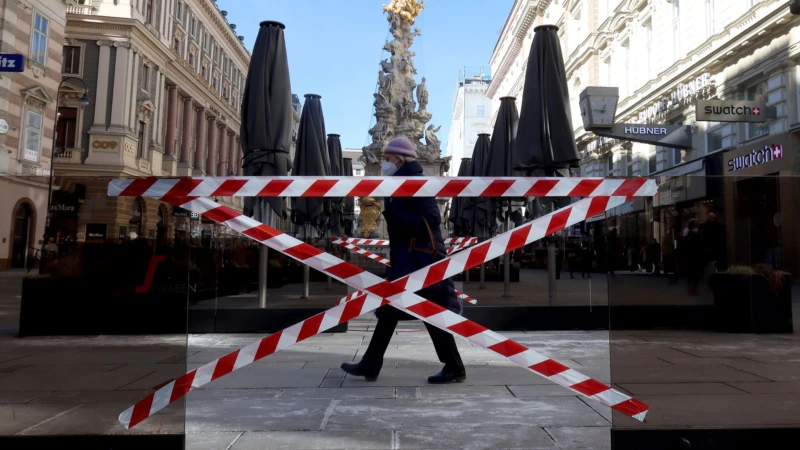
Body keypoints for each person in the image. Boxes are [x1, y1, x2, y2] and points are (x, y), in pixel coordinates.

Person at [341, 136, 466, 384]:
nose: (384, 164)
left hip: (421, 261)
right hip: (411, 260)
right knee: (394, 312)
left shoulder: (415, 183)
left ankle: (453, 366)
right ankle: (371, 363)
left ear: (398, 159)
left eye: (387, 159)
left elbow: (431, 219)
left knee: (427, 313)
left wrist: (393, 216)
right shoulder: (399, 183)